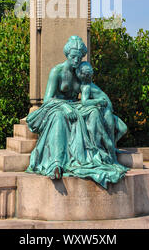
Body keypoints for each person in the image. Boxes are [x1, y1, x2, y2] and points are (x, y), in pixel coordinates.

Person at [26, 35, 129, 189]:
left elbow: (91, 94)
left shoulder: (81, 72)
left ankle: (94, 156)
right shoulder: (57, 71)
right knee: (59, 117)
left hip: (75, 106)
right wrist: (64, 106)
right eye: (73, 56)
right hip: (55, 107)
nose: (76, 60)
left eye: (79, 57)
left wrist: (101, 105)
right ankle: (56, 164)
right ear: (67, 55)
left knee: (93, 112)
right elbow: (47, 100)